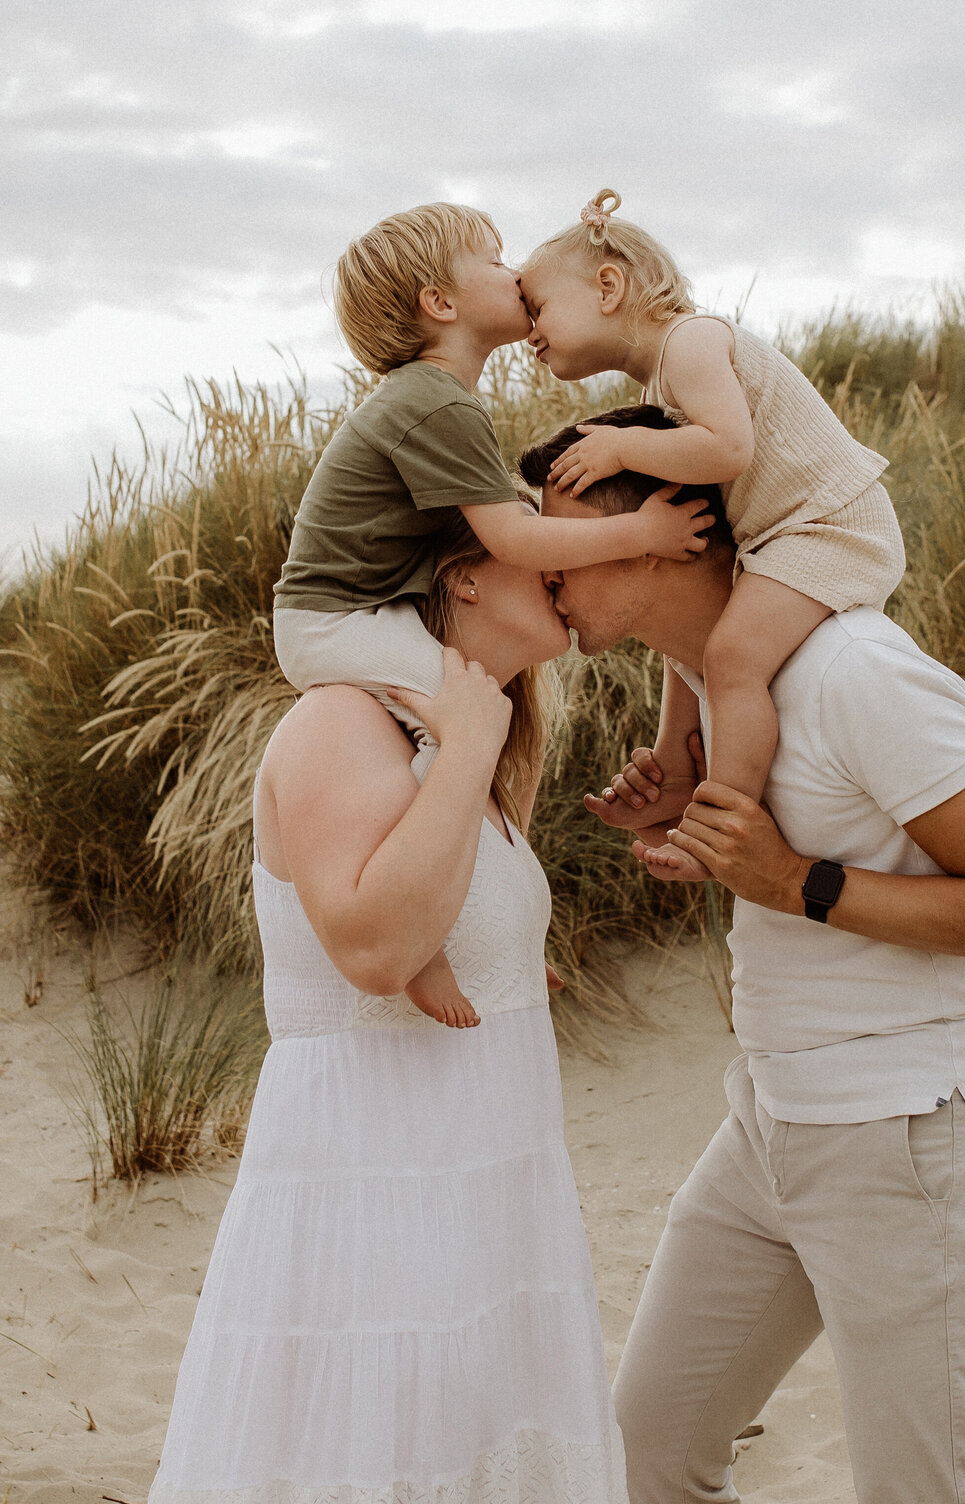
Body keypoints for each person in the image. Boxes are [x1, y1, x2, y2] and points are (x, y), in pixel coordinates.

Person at [517, 408, 965, 1504]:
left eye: (561, 532)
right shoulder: (710, 702)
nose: (543, 564)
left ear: (664, 532)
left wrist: (800, 884)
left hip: (916, 1136)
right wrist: (715, 853)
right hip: (771, 1128)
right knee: (647, 1454)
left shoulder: (855, 673)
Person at [148, 517, 628, 1504]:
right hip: (377, 1224)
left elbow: (447, 918)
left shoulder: (466, 736)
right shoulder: (339, 723)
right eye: (531, 541)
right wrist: (473, 742)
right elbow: (373, 948)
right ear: (463, 577)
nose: (563, 557)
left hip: (484, 1217)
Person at [273, 201, 711, 1028]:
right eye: (494, 258)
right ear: (440, 303)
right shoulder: (434, 403)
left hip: (351, 617)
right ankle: (425, 946)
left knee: (467, 726)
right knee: (455, 722)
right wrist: (645, 528)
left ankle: (480, 921)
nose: (515, 274)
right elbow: (513, 537)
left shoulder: (438, 403)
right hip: (336, 621)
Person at [521, 189, 905, 882]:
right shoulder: (655, 390)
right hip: (782, 534)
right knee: (692, 642)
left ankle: (723, 826)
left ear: (609, 286)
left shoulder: (691, 341)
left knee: (731, 655)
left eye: (537, 308)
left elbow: (728, 448)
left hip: (831, 525)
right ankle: (675, 765)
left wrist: (621, 452)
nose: (528, 332)